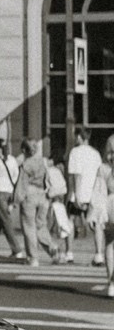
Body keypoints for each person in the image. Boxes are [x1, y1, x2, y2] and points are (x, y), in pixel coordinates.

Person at [15, 138, 59, 267]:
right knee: (40, 225)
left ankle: (33, 258)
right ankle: (53, 249)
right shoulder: (42, 162)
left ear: (24, 150)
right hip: (43, 195)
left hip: (30, 194)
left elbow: (22, 184)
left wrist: (16, 200)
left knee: (29, 227)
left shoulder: (26, 164)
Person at [68, 127, 105, 266]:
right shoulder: (95, 153)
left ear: (79, 137)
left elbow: (76, 175)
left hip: (78, 193)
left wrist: (76, 195)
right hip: (93, 193)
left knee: (70, 221)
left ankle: (69, 253)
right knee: (96, 224)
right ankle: (99, 254)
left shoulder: (75, 152)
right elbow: (99, 174)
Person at [86, 136, 114, 299]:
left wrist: (94, 214)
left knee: (110, 243)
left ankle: (112, 283)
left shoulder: (103, 168)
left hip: (110, 205)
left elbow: (98, 193)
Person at [45, 155, 73, 264]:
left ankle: (58, 253)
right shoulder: (57, 171)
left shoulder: (50, 171)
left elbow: (53, 190)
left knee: (55, 229)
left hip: (53, 202)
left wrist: (49, 195)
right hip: (59, 202)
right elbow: (63, 189)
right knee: (63, 227)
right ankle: (66, 252)